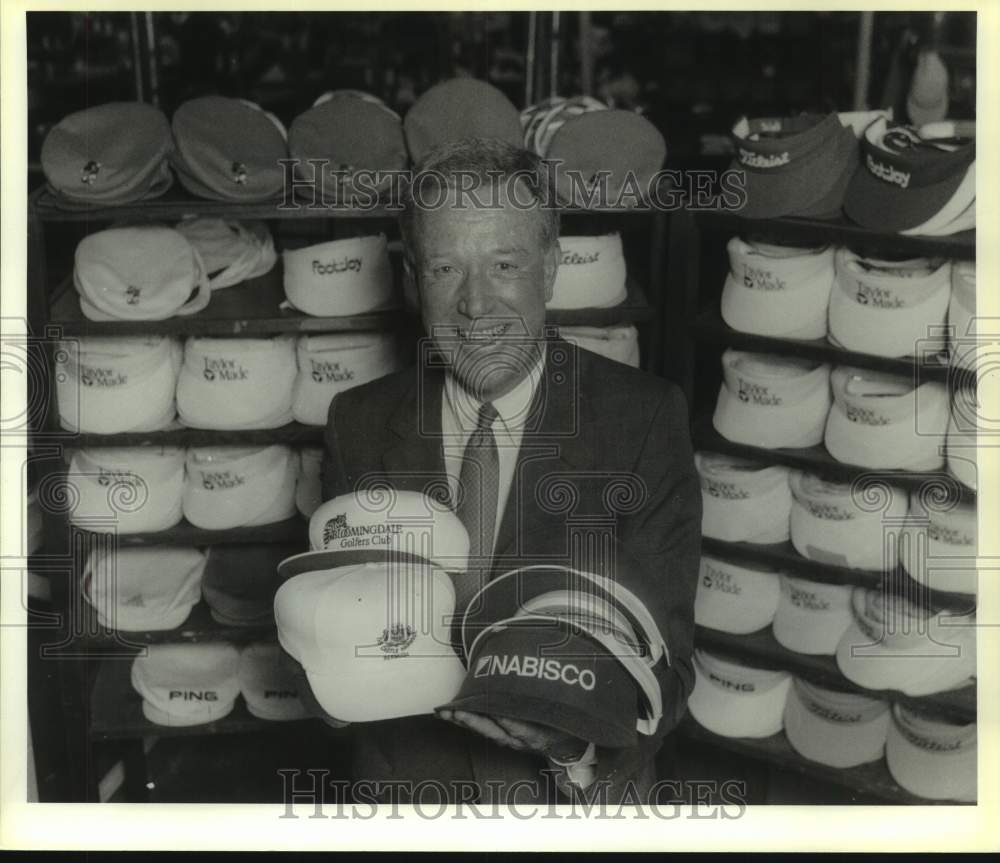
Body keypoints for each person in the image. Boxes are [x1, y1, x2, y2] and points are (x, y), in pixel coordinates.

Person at [321, 137, 701, 805]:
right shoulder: (356, 423)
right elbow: (330, 632)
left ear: (550, 269)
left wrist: (568, 742)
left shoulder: (641, 421)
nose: (474, 304)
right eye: (444, 268)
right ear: (413, 279)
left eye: (504, 264)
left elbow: (665, 673)